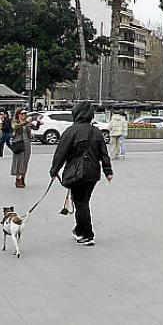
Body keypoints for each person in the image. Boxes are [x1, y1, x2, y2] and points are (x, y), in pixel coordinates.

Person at [49, 101, 113, 246]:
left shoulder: (71, 131)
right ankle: (79, 229)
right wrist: (108, 171)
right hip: (93, 173)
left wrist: (54, 170)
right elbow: (104, 154)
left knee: (81, 203)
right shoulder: (96, 132)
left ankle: (87, 234)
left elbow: (61, 153)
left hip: (77, 172)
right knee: (83, 201)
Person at [10, 109, 40, 188]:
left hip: (27, 143)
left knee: (25, 162)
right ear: (18, 115)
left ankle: (23, 178)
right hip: (19, 143)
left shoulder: (27, 122)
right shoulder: (15, 121)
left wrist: (38, 122)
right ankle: (18, 179)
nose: (24, 115)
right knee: (19, 161)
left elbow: (35, 128)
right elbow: (15, 127)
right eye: (22, 114)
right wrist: (26, 122)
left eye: (25, 114)